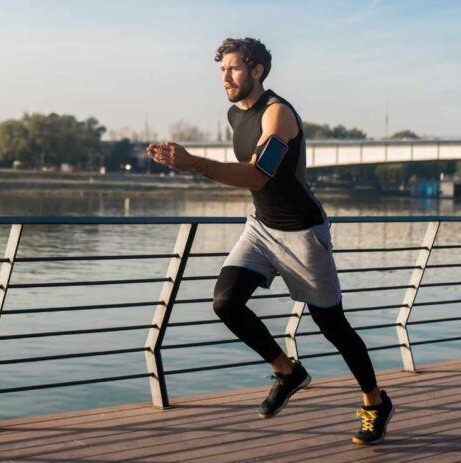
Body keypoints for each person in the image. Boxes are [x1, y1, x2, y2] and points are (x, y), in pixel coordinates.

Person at [148, 37, 394, 445]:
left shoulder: (279, 114)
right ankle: (287, 370)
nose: (226, 77)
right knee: (225, 302)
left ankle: (375, 401)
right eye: (222, 69)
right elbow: (255, 185)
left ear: (257, 70)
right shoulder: (233, 115)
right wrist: (191, 163)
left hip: (302, 234)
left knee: (332, 325)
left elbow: (259, 174)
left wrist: (192, 163)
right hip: (261, 228)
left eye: (234, 68)